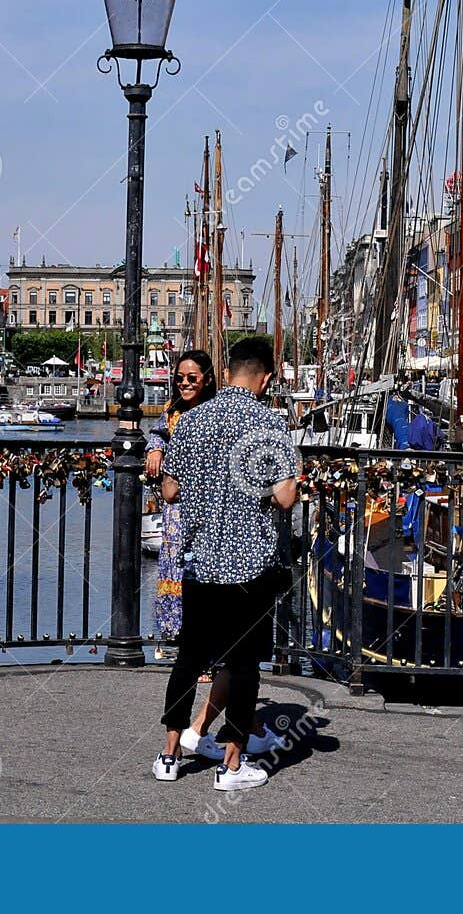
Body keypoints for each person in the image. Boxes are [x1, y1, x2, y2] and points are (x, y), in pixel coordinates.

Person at [156, 337, 299, 792]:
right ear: (266, 378)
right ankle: (233, 765)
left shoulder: (192, 421)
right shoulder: (268, 424)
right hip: (248, 566)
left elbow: (170, 491)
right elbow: (285, 496)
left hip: (200, 562)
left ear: (229, 369)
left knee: (189, 658)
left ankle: (169, 752)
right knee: (242, 664)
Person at [145, 351, 218, 651]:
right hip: (176, 503)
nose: (184, 384)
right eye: (179, 379)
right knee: (175, 562)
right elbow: (159, 434)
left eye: (192, 378)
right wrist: (155, 450)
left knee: (205, 566)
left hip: (206, 502)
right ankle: (178, 636)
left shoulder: (215, 412)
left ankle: (206, 645)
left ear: (207, 380)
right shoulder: (171, 411)